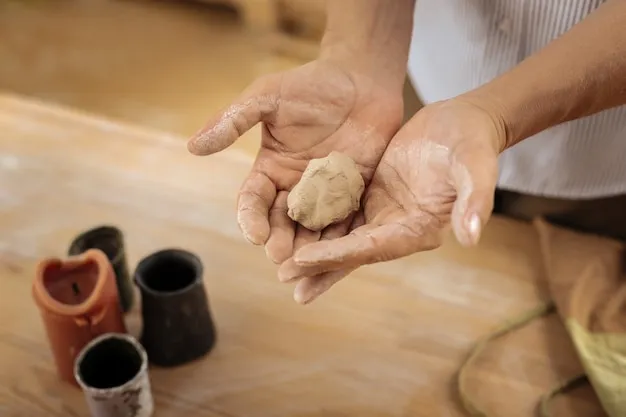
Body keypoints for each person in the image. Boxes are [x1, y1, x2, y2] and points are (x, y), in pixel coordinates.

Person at [187, 0, 626, 304]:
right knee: (447, 261)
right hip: (420, 106)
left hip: (594, 149)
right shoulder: (384, 135)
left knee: (545, 284)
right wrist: (359, 58)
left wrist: (497, 115)